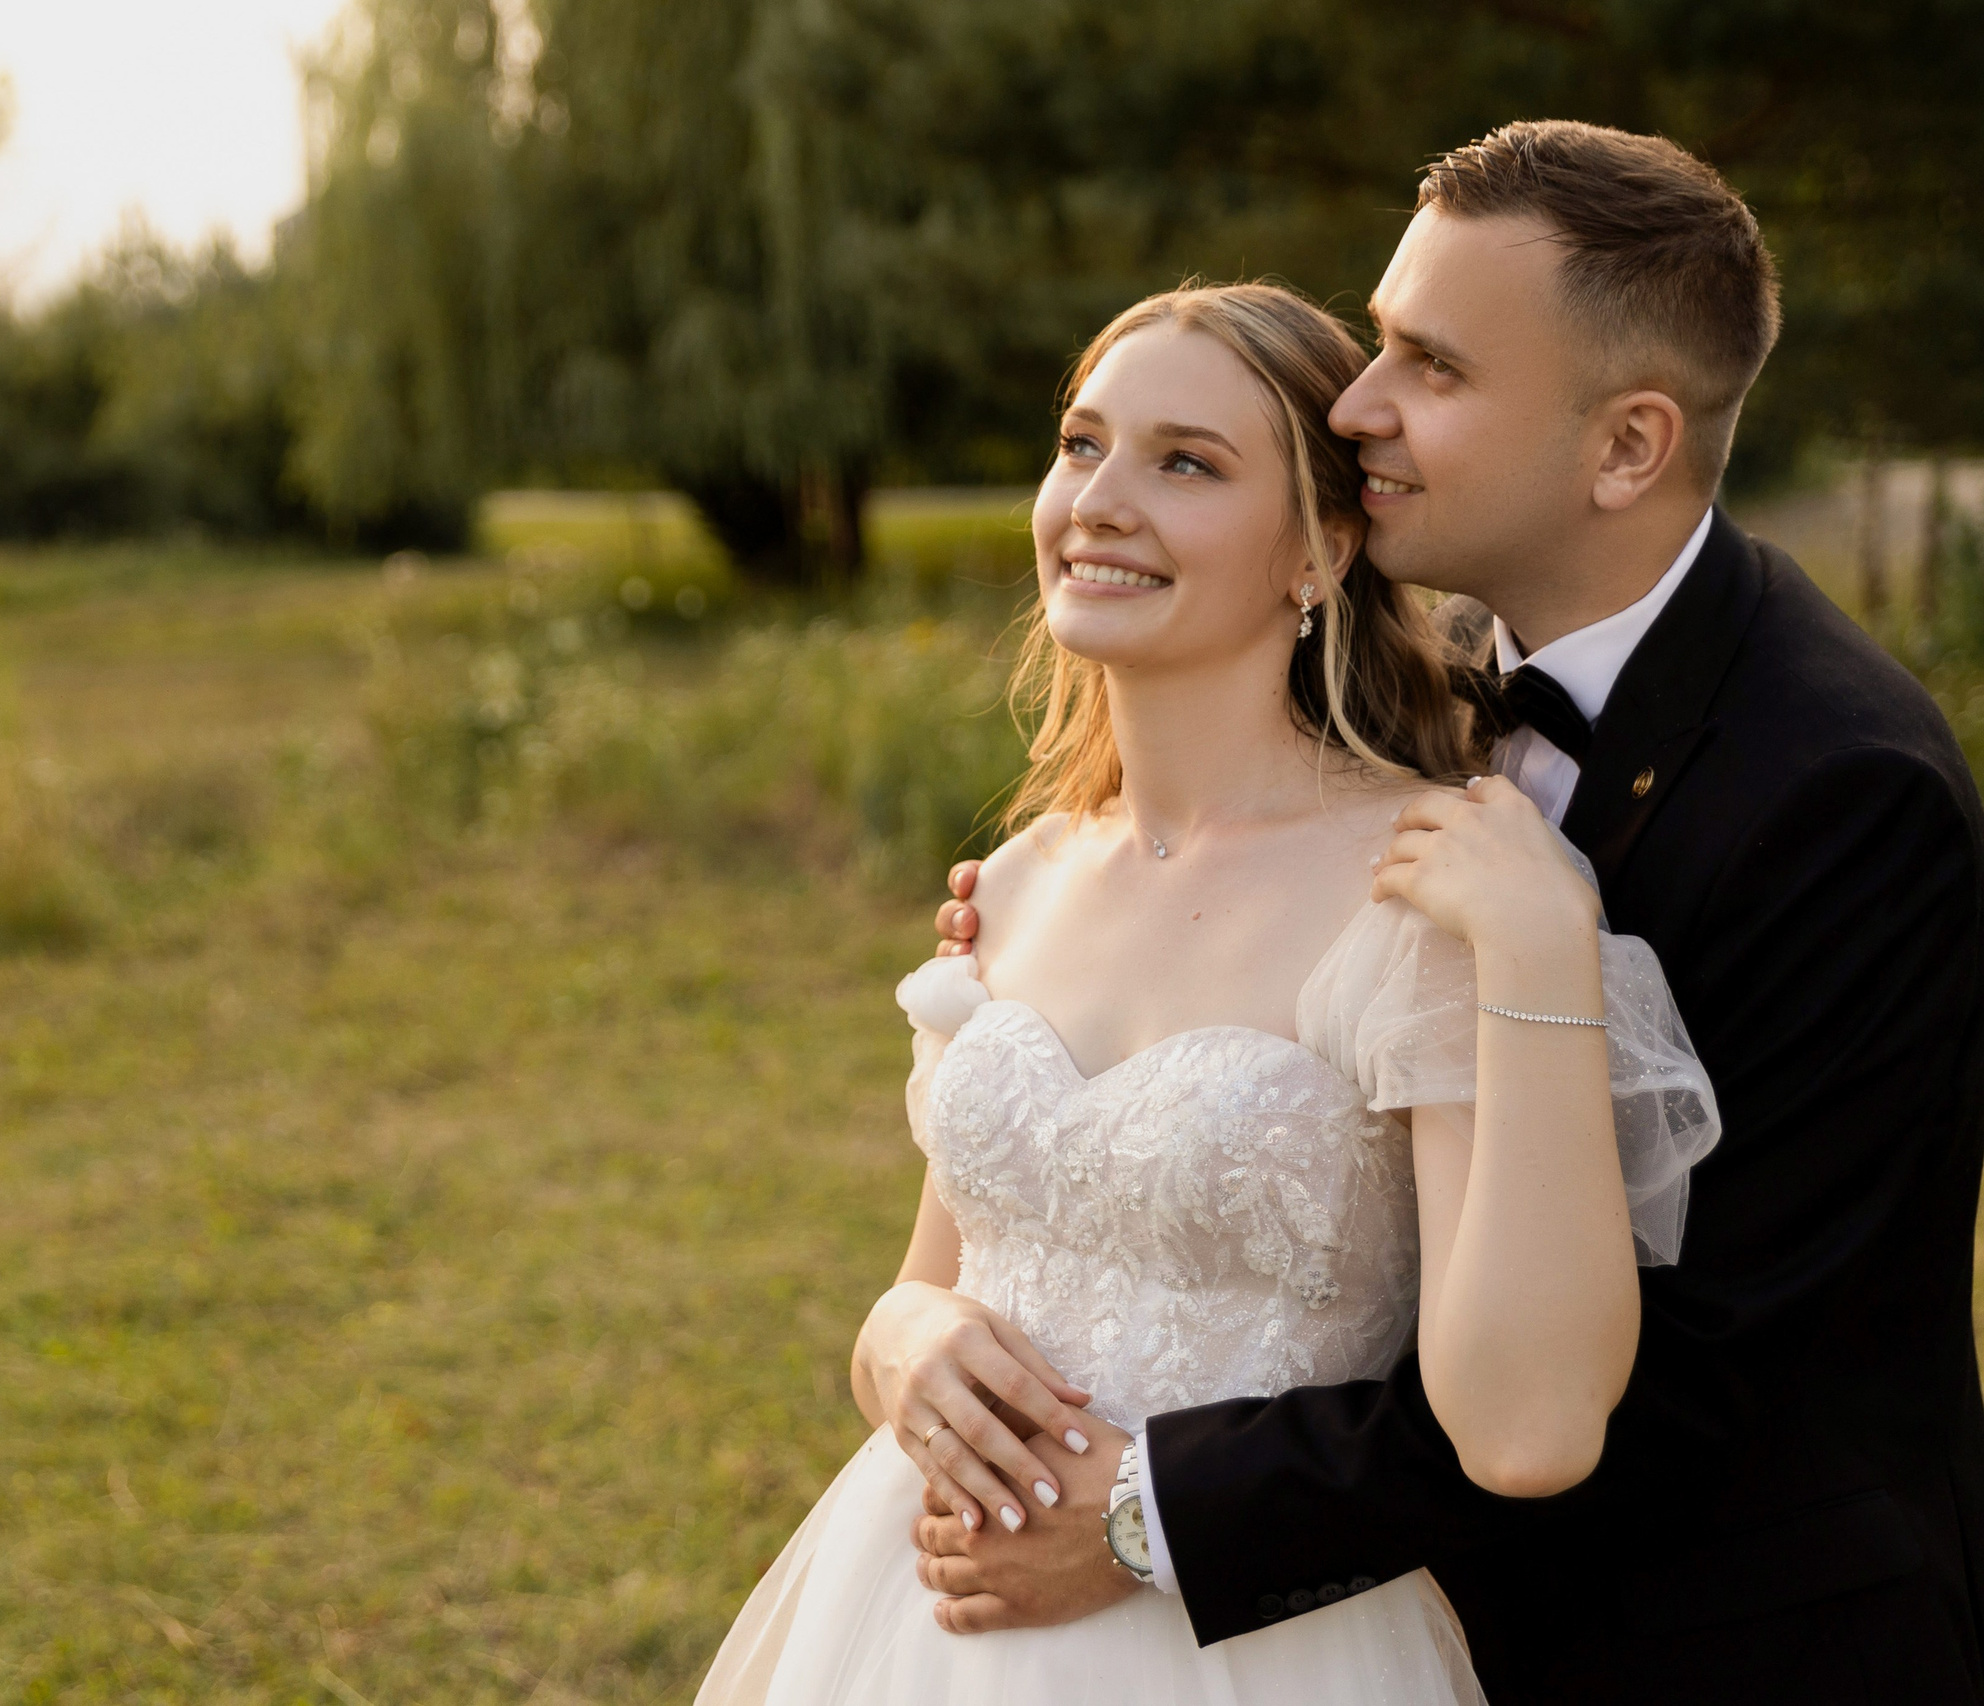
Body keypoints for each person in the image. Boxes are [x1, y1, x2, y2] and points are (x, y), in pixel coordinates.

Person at [916, 122, 1984, 1703]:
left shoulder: (1846, 793)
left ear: (1626, 447)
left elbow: (1699, 1372)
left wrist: (1152, 1512)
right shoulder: (1445, 683)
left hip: (1718, 1635)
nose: (1355, 405)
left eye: (1429, 364)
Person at [695, 276, 1723, 1704]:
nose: (1102, 499)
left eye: (1187, 461)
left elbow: (1529, 1425)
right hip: (916, 1626)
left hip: (1262, 1649)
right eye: (1081, 444)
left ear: (1319, 552)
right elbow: (933, 1278)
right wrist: (900, 1340)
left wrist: (1535, 959)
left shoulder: (1432, 887)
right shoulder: (1019, 879)